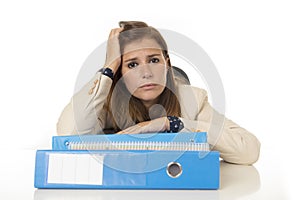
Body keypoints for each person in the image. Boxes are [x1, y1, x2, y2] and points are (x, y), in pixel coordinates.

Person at [57, 21, 260, 165]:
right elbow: (68, 138)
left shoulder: (191, 100)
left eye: (154, 60)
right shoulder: (104, 104)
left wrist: (173, 123)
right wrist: (108, 67)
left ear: (167, 64)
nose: (146, 73)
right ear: (120, 73)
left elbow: (249, 151)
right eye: (132, 64)